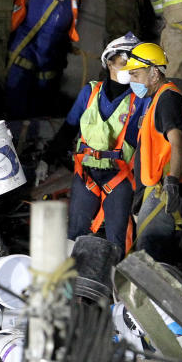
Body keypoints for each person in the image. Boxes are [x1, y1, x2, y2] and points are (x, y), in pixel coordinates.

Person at [40, 33, 146, 254]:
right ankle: (71, 279)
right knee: (75, 231)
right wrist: (46, 159)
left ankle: (114, 283)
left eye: (135, 61)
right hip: (86, 172)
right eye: (124, 60)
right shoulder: (90, 92)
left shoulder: (141, 100)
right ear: (109, 62)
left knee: (117, 237)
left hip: (119, 175)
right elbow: (68, 128)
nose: (130, 66)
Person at [121, 43, 182, 262]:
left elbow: (177, 141)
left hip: (162, 190)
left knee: (150, 256)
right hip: (153, 188)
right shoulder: (157, 99)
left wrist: (172, 182)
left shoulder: (168, 99)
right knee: (149, 254)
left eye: (135, 74)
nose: (132, 80)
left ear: (154, 72)